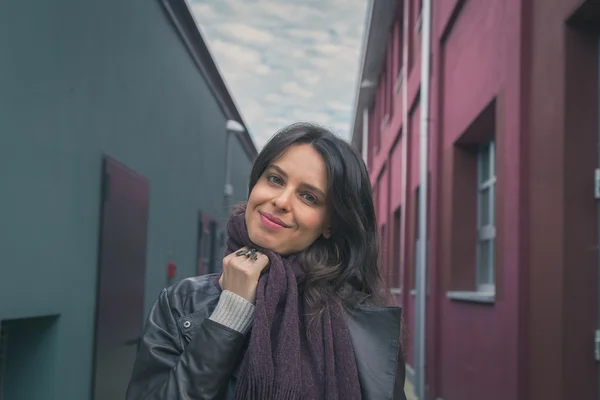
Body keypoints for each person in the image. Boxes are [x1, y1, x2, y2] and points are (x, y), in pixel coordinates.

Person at [126, 122, 407, 400]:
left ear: (329, 225)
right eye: (275, 179)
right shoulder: (182, 304)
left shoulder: (362, 327)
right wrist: (229, 315)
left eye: (308, 197)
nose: (282, 201)